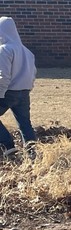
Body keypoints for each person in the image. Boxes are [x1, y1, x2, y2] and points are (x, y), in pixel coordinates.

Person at [0, 16, 37, 158]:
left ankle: (8, 146)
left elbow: (3, 75)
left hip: (7, 92)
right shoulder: (27, 52)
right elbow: (33, 73)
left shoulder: (4, 50)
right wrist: (28, 88)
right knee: (25, 123)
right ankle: (32, 153)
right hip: (24, 92)